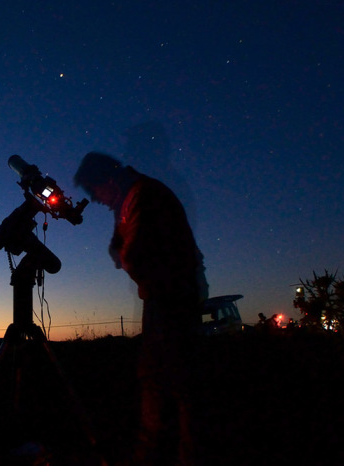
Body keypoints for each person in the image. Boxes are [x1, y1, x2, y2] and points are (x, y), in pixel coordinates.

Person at [74, 152, 209, 465]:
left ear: (107, 180)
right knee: (160, 378)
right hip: (165, 297)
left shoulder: (143, 196)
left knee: (170, 380)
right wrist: (120, 248)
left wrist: (125, 256)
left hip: (171, 298)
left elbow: (133, 254)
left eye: (95, 191)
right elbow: (121, 243)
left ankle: (171, 452)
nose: (95, 200)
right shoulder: (132, 196)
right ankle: (161, 448)